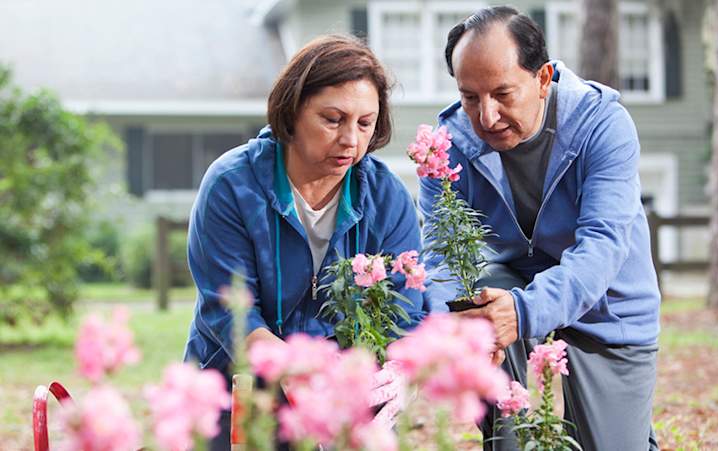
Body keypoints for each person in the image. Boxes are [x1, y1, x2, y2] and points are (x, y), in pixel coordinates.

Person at [419, 6, 661, 451]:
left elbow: (603, 247)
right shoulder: (446, 143)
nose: (486, 116)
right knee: (484, 299)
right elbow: (442, 259)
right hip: (504, 295)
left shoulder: (602, 125)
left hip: (607, 307)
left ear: (543, 77)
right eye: (470, 97)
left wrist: (525, 311)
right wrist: (459, 318)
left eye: (502, 93)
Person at [183, 34, 425, 449]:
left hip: (343, 390)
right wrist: (301, 373)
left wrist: (397, 373)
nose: (351, 139)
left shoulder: (386, 197)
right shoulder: (231, 186)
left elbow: (405, 310)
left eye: (365, 123)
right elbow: (231, 313)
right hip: (231, 380)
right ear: (292, 112)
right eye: (333, 119)